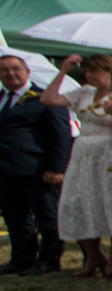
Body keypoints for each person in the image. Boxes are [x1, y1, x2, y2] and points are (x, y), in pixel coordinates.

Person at [43, 55, 112, 277]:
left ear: (108, 72)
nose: (89, 76)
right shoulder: (84, 92)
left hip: (108, 150)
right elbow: (48, 99)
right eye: (87, 72)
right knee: (76, 200)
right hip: (83, 150)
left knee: (110, 201)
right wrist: (63, 70)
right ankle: (93, 255)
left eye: (94, 71)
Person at [0, 53, 68, 275]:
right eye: (4, 71)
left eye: (15, 69)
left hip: (37, 167)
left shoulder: (45, 97)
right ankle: (22, 258)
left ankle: (49, 259)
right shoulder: (2, 98)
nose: (10, 74)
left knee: (46, 215)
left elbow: (60, 135)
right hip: (5, 169)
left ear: (27, 71)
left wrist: (56, 168)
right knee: (14, 216)